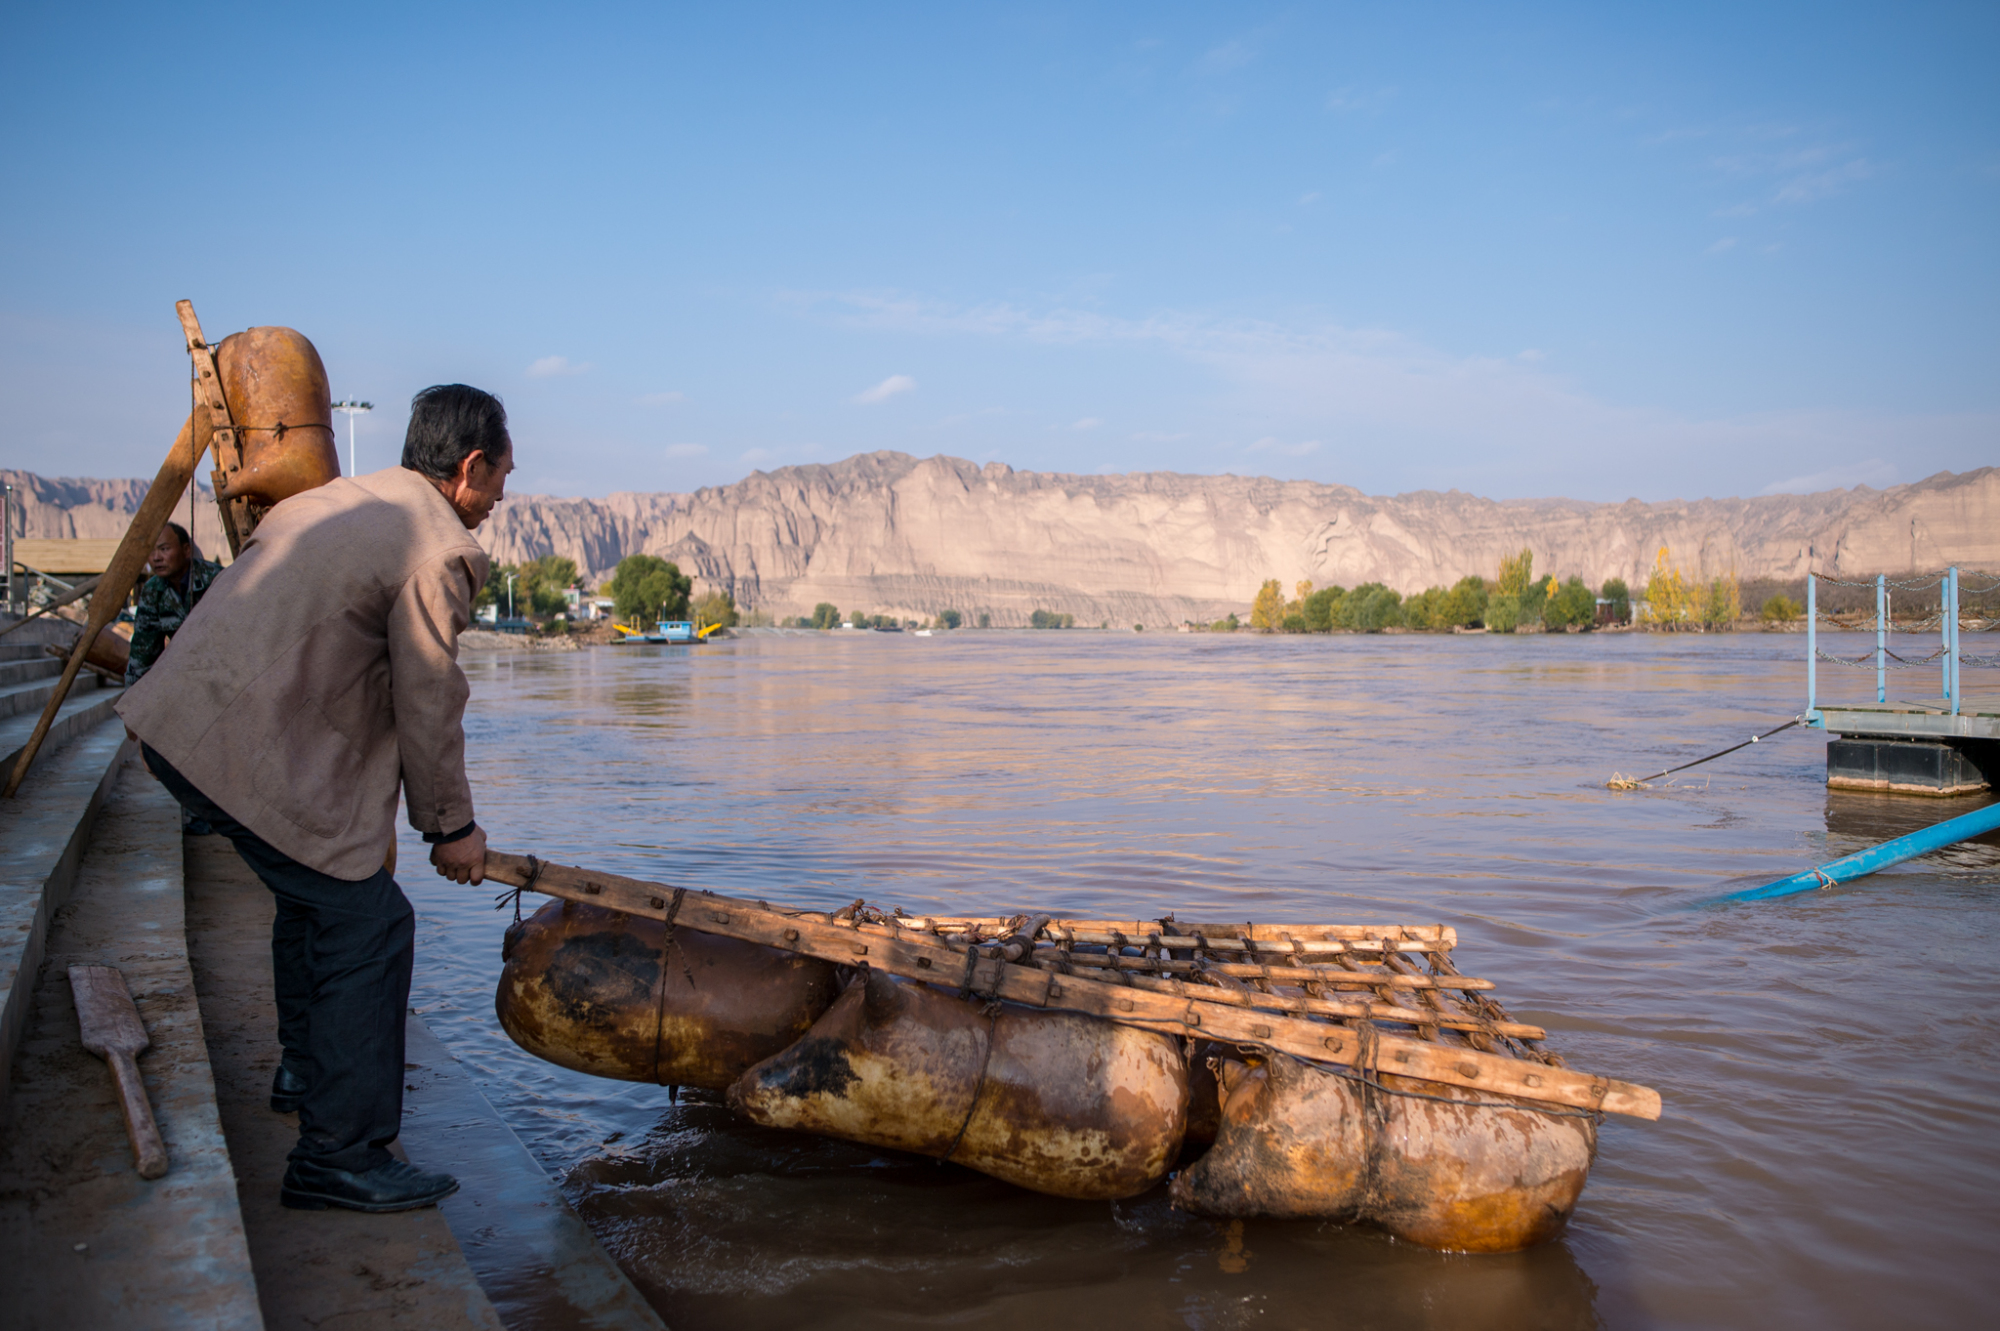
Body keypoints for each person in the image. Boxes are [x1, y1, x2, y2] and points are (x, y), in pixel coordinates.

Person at [118, 384, 512, 1213]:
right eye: (501, 477)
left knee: (317, 903)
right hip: (234, 754)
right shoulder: (436, 545)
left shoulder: (340, 499)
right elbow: (429, 695)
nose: (502, 497)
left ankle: (305, 1069)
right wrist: (452, 828)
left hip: (183, 730)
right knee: (372, 924)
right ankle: (339, 1154)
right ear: (469, 467)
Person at [124, 521, 223, 685]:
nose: (156, 558)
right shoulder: (152, 591)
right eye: (151, 551)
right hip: (186, 676)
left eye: (164, 549)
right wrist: (132, 703)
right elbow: (143, 653)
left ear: (186, 550)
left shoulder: (215, 579)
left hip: (226, 671)